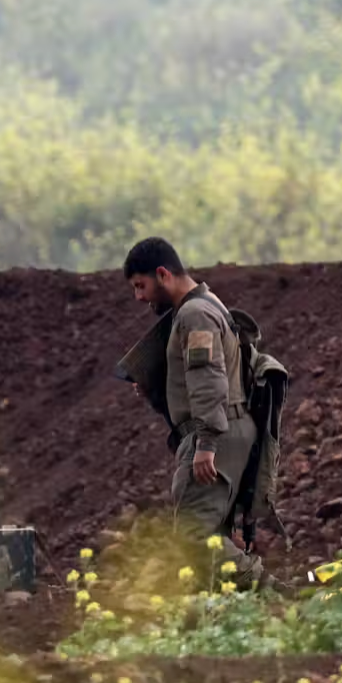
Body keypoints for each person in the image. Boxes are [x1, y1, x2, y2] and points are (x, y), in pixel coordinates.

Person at [121, 236, 268, 590]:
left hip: (215, 432)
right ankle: (229, 608)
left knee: (194, 535)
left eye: (141, 286)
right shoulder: (205, 304)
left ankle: (270, 591)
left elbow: (208, 378)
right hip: (226, 426)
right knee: (208, 533)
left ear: (163, 274)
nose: (139, 297)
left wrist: (206, 443)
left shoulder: (194, 313)